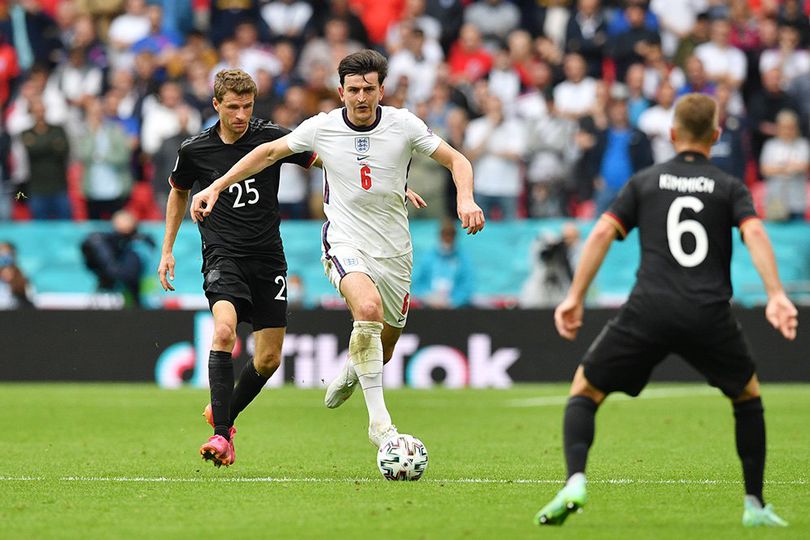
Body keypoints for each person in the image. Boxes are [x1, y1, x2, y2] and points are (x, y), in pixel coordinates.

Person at [189, 50, 485, 449]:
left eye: (368, 89)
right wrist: (216, 186)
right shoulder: (322, 127)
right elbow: (268, 153)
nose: (360, 98)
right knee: (367, 311)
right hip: (343, 240)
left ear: (382, 90)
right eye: (352, 90)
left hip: (394, 249)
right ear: (340, 91)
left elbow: (457, 160)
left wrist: (465, 199)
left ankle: (352, 371)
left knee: (385, 344)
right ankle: (381, 427)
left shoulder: (403, 124)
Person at [534, 94, 798, 528]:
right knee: (747, 397)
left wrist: (574, 296)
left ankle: (575, 480)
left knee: (585, 390)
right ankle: (754, 505)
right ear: (715, 135)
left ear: (673, 135)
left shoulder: (646, 182)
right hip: (708, 313)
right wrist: (776, 294)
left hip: (648, 309)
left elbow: (601, 232)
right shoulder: (729, 186)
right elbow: (755, 234)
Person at [157, 69, 318, 468]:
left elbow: (324, 160)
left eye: (247, 106)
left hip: (268, 258)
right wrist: (168, 250)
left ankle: (223, 411)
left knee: (268, 360)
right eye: (233, 107)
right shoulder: (195, 149)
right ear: (216, 105)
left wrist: (384, 185)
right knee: (224, 330)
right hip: (223, 255)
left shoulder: (272, 138)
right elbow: (178, 193)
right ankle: (221, 435)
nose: (241, 114)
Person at [81, 210, 154, 307]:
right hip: (125, 292)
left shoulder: (139, 245)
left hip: (138, 293)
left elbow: (117, 271)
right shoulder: (108, 242)